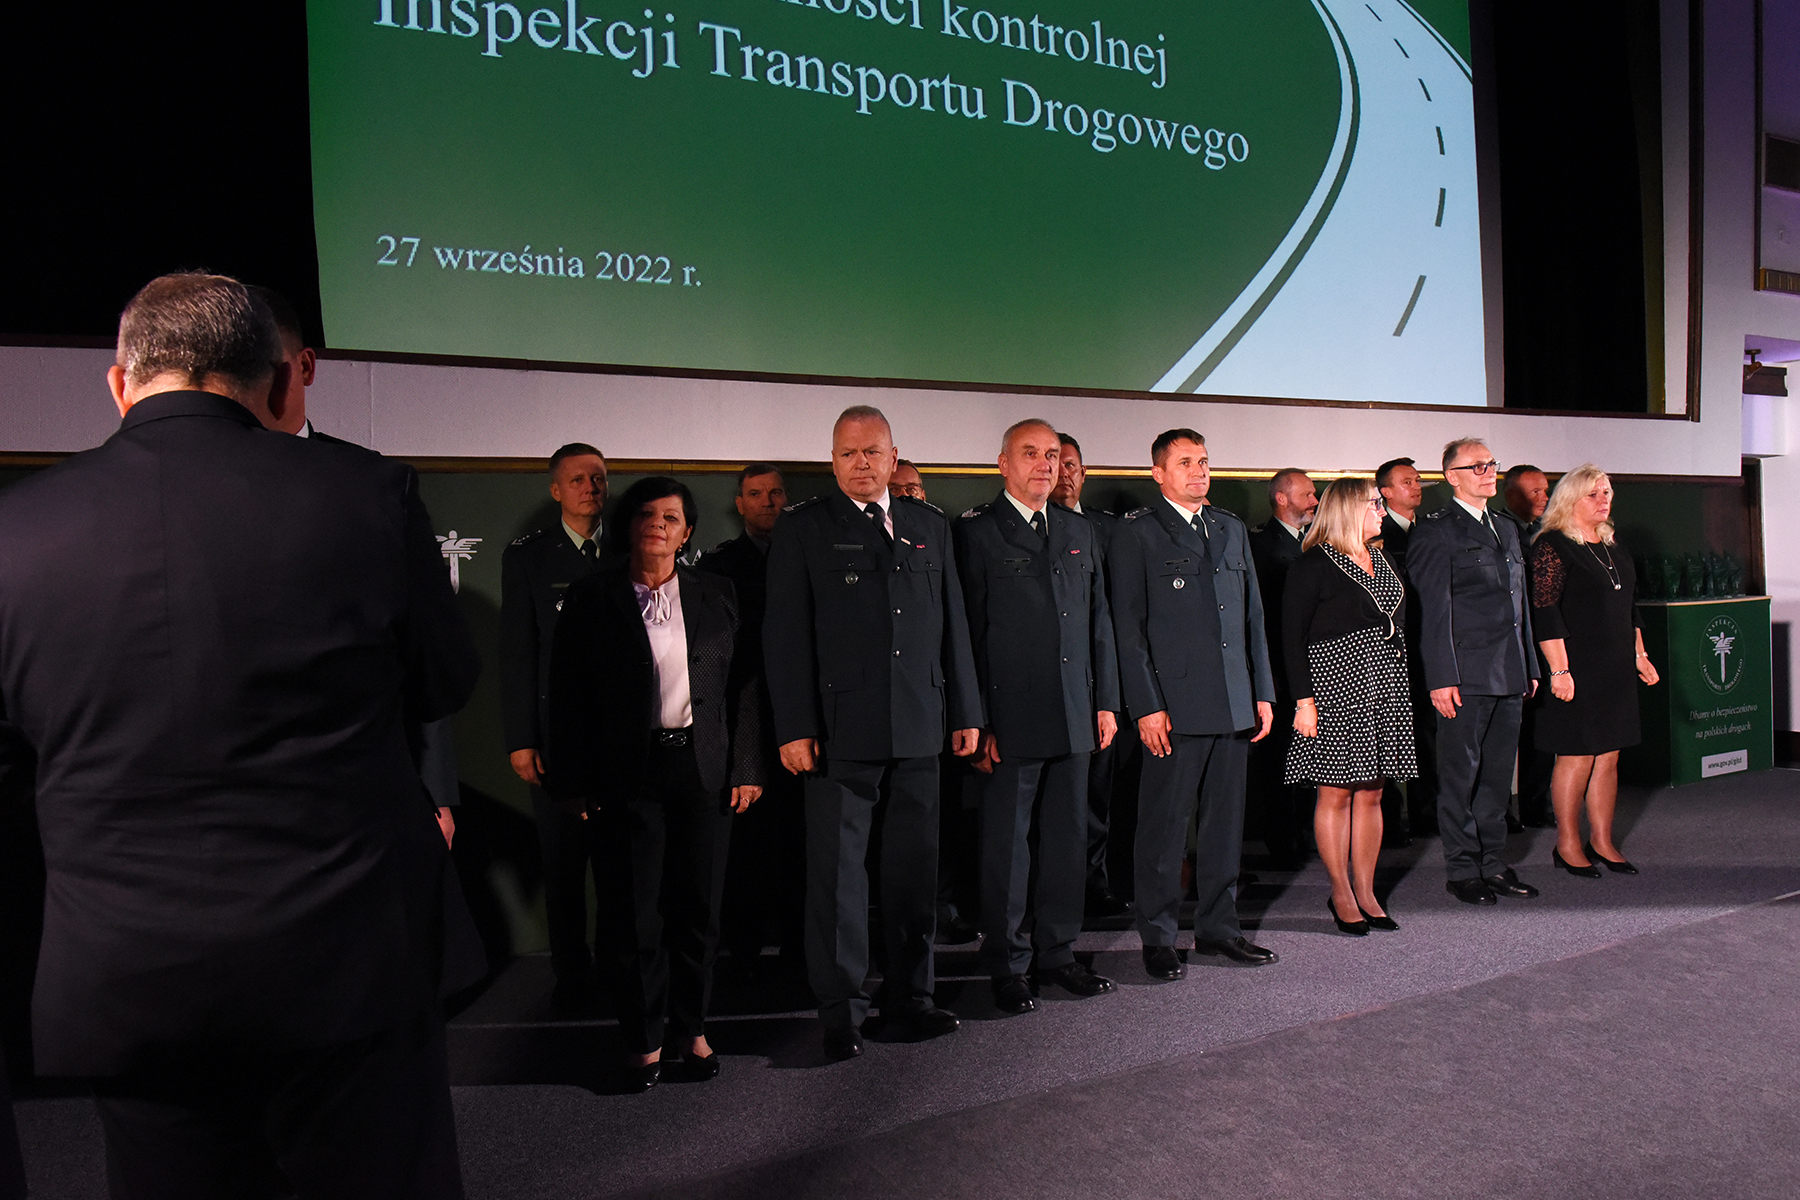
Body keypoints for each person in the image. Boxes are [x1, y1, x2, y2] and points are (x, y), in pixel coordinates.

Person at [0, 273, 479, 1196]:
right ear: (279, 379)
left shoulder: (15, 529)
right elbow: (443, 682)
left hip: (127, 975)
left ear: (119, 383)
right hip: (348, 961)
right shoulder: (367, 494)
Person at [764, 406, 983, 1060]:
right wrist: (795, 726)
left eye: (872, 452)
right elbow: (784, 635)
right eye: (848, 453)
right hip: (839, 733)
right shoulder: (804, 526)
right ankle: (842, 1013)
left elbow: (953, 625)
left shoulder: (928, 524)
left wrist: (966, 711)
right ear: (833, 461)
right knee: (839, 882)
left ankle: (912, 999)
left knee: (913, 877)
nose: (861, 463)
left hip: (920, 725)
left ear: (893, 457)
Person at [548, 477, 763, 1091]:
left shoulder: (717, 592)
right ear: (629, 525)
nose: (658, 525)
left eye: (671, 517)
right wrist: (572, 781)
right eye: (646, 514)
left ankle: (691, 1030)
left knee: (699, 910)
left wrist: (746, 767)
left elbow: (744, 686)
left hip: (703, 769)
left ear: (687, 531)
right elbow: (565, 693)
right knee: (632, 914)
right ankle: (643, 1039)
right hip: (625, 776)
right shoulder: (592, 596)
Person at [954, 420, 1120, 1015]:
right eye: (1030, 454)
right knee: (1008, 850)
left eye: (1052, 455)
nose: (1044, 465)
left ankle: (1058, 953)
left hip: (1075, 712)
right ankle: (1007, 963)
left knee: (1067, 841)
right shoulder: (975, 532)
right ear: (1003, 463)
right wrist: (976, 721)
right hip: (1009, 720)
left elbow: (1098, 620)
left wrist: (1106, 700)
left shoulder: (1078, 528)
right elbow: (965, 635)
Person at [1111, 429, 1278, 980]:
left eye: (1203, 461)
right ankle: (1158, 936)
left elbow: (1252, 617)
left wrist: (1261, 691)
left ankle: (1218, 929)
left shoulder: (1229, 527)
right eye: (1185, 462)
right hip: (1173, 708)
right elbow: (1128, 629)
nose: (1199, 471)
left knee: (1224, 827)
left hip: (1233, 700)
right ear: (1158, 473)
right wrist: (1145, 706)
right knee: (1164, 829)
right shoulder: (1137, 532)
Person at [499, 443, 610, 1011]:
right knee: (564, 868)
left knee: (620, 869)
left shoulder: (633, 548)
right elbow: (517, 652)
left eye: (598, 478)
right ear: (555, 490)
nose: (590, 487)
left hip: (622, 739)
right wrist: (522, 738)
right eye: (577, 480)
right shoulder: (530, 557)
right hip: (558, 738)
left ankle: (619, 972)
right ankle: (571, 977)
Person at [1408, 439, 1540, 905]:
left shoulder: (1505, 527)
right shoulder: (1436, 531)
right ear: (1452, 477)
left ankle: (1492, 862)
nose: (1488, 472)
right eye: (1477, 466)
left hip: (1509, 670)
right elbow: (1431, 611)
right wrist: (1441, 677)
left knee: (1498, 776)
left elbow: (1519, 605)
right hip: (1463, 674)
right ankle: (1462, 868)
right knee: (1459, 775)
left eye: (1491, 464)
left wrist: (1529, 663)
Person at [1282, 479, 1416, 935]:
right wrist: (1304, 702)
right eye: (1374, 503)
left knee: (1373, 791)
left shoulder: (1384, 558)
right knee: (1336, 791)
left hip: (1386, 684)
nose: (1382, 510)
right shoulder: (1313, 564)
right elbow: (1292, 638)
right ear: (1347, 509)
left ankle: (1366, 890)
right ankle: (1340, 891)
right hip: (1335, 687)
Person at [698, 464, 807, 983]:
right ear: (739, 504)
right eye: (756, 494)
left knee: (800, 843)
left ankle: (798, 951)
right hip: (741, 717)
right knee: (745, 844)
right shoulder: (720, 565)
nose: (768, 502)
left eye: (776, 492)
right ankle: (741, 952)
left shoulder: (808, 551)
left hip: (801, 714)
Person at [1527, 465, 1660, 876]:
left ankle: (1602, 840)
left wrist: (1640, 655)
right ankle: (1567, 843)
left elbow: (1628, 607)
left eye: (1607, 492)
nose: (1604, 500)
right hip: (1574, 666)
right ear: (1570, 499)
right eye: (1593, 494)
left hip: (1615, 665)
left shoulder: (1612, 545)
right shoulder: (1551, 545)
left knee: (1608, 756)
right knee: (1577, 755)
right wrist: (1559, 671)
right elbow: (1544, 611)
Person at [1051, 432, 1133, 917]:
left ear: (1083, 474)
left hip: (1107, 682)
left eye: (1072, 465)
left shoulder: (1109, 529)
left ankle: (1094, 881)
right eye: (1056, 463)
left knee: (1099, 793)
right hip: (1055, 684)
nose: (1063, 473)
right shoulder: (1030, 527)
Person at [1249, 469, 1318, 868]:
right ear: (1281, 499)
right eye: (1307, 494)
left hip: (1314, 667)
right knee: (1279, 759)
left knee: (1312, 753)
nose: (1314, 501)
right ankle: (1283, 840)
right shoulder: (1258, 545)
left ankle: (1309, 833)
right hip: (1277, 670)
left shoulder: (1319, 542)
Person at [1376, 456, 1437, 842]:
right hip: (1390, 648)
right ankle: (1389, 821)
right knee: (1388, 737)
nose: (1415, 487)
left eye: (1417, 481)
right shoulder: (1375, 532)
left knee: (1427, 735)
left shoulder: (1431, 531)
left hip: (1427, 647)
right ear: (1385, 492)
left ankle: (1426, 814)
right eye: (1406, 482)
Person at [1503, 463, 1556, 829]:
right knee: (1503, 736)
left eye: (1545, 490)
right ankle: (1500, 811)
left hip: (1543, 645)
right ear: (1511, 495)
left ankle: (1536, 807)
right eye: (1534, 491)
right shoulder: (1497, 529)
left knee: (1540, 732)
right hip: (1507, 647)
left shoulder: (1550, 533)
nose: (1544, 497)